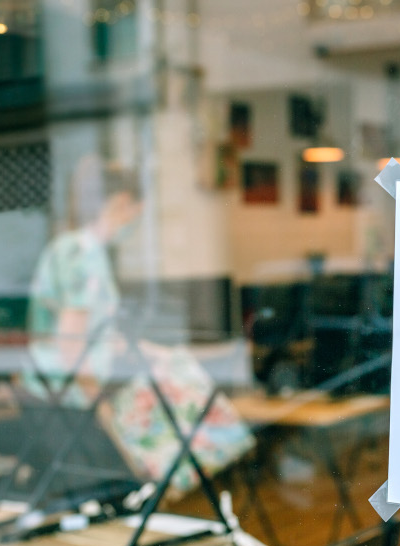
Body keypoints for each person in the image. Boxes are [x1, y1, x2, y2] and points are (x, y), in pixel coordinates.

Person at [24, 155, 255, 496]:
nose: (134, 224)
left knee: (173, 379)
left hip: (58, 387)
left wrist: (152, 353)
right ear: (120, 204)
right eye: (136, 214)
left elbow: (96, 334)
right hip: (67, 395)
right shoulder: (82, 257)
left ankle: (178, 475)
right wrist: (99, 405)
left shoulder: (75, 250)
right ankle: (180, 475)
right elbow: (71, 342)